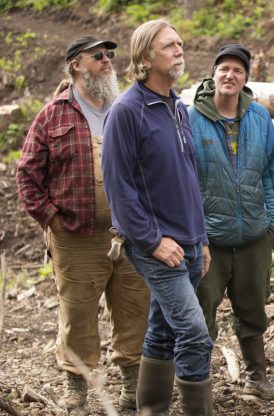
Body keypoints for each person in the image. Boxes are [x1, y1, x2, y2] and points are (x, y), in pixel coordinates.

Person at [16, 35, 150, 411]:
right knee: (77, 314)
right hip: (76, 236)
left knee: (135, 308)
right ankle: (76, 386)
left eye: (109, 56)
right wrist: (52, 219)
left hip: (130, 233)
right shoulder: (53, 114)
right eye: (98, 56)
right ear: (76, 64)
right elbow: (27, 175)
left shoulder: (126, 109)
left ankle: (132, 386)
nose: (108, 61)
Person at [102, 19, 213, 416]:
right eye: (169, 46)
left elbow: (188, 178)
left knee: (164, 331)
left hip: (190, 242)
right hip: (156, 245)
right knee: (195, 334)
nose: (179, 50)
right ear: (145, 58)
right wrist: (152, 241)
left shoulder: (177, 108)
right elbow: (118, 188)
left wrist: (201, 238)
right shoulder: (126, 111)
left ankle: (149, 409)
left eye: (180, 43)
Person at [189, 44, 274, 401]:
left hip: (253, 235)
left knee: (252, 308)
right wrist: (192, 231)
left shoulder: (259, 117)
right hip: (208, 239)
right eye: (224, 69)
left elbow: (272, 172)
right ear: (213, 74)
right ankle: (198, 385)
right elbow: (183, 179)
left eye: (237, 70)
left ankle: (257, 378)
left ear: (246, 78)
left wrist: (273, 220)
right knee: (201, 311)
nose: (230, 75)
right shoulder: (190, 118)